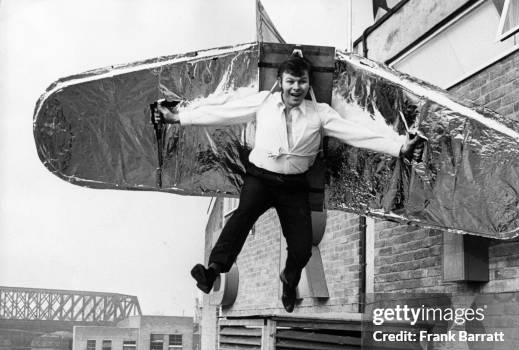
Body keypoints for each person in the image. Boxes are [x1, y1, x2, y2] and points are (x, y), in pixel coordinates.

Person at [156, 54, 420, 312]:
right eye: (290, 81)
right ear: (281, 81)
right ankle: (212, 272)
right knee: (240, 220)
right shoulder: (264, 103)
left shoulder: (320, 114)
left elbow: (357, 134)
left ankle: (289, 280)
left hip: (293, 187)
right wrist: (177, 118)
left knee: (303, 246)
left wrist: (398, 147)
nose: (296, 87)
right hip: (260, 178)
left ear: (309, 84)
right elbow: (223, 112)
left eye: (302, 82)